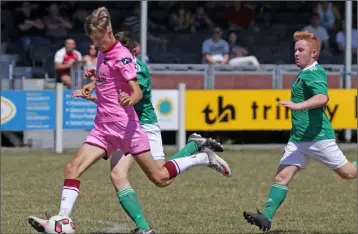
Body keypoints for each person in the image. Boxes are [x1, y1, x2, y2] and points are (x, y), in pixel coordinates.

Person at [28, 7, 231, 234]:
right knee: (72, 167)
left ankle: (200, 157)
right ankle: (62, 218)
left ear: (109, 32)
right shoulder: (104, 51)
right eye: (92, 40)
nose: (96, 45)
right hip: (103, 128)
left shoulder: (124, 57)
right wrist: (91, 85)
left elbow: (137, 92)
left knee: (161, 177)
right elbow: (107, 76)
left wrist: (129, 98)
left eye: (98, 39)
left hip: (127, 129)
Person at [71, 31, 223, 233]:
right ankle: (143, 228)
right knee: (117, 174)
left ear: (130, 52)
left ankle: (194, 149)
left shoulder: (138, 70)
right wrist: (93, 85)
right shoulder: (114, 64)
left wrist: (95, 89)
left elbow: (123, 101)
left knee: (162, 179)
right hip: (123, 125)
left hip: (143, 125)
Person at [242, 31, 358, 232]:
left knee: (349, 173)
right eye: (295, 49)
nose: (296, 53)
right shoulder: (304, 72)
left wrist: (298, 106)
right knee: (281, 177)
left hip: (317, 138)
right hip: (298, 140)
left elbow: (323, 98)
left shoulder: (313, 73)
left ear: (314, 54)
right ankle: (266, 218)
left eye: (301, 50)